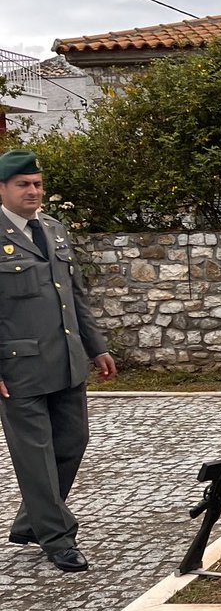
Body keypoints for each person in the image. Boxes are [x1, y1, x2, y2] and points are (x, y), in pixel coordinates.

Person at [0, 149, 116, 572]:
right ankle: (58, 538)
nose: (33, 191)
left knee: (73, 443)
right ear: (2, 189)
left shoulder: (53, 229)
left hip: (66, 363)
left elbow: (76, 299)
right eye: (23, 185)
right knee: (36, 458)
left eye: (37, 184)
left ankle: (33, 521)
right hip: (18, 370)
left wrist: (96, 346)